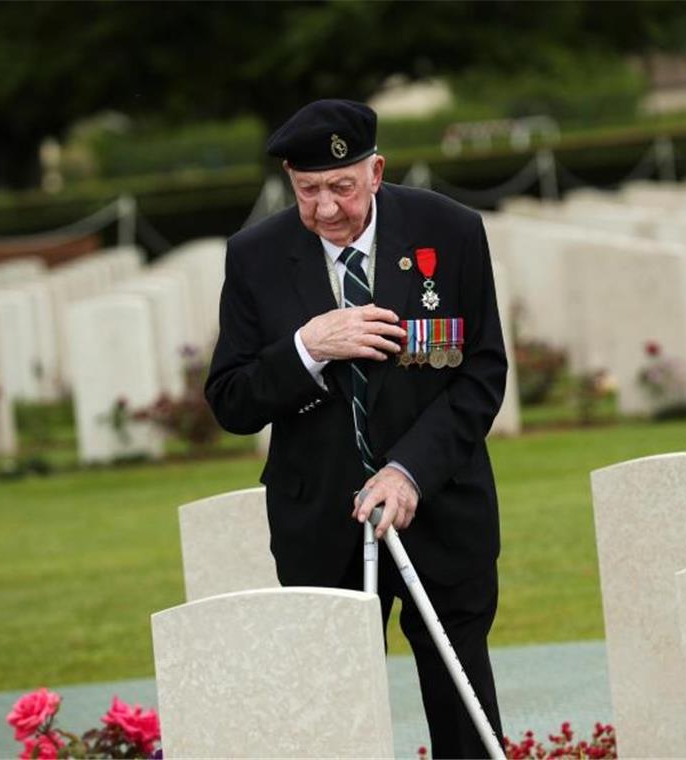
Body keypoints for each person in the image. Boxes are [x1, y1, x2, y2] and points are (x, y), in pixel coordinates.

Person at [206, 98, 507, 758]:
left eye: (341, 187)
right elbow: (230, 401)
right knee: (335, 721)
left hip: (441, 510)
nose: (324, 209)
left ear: (376, 171)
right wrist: (306, 349)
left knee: (463, 711)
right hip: (319, 522)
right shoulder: (256, 256)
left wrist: (409, 472)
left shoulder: (448, 232)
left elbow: (478, 373)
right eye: (307, 189)